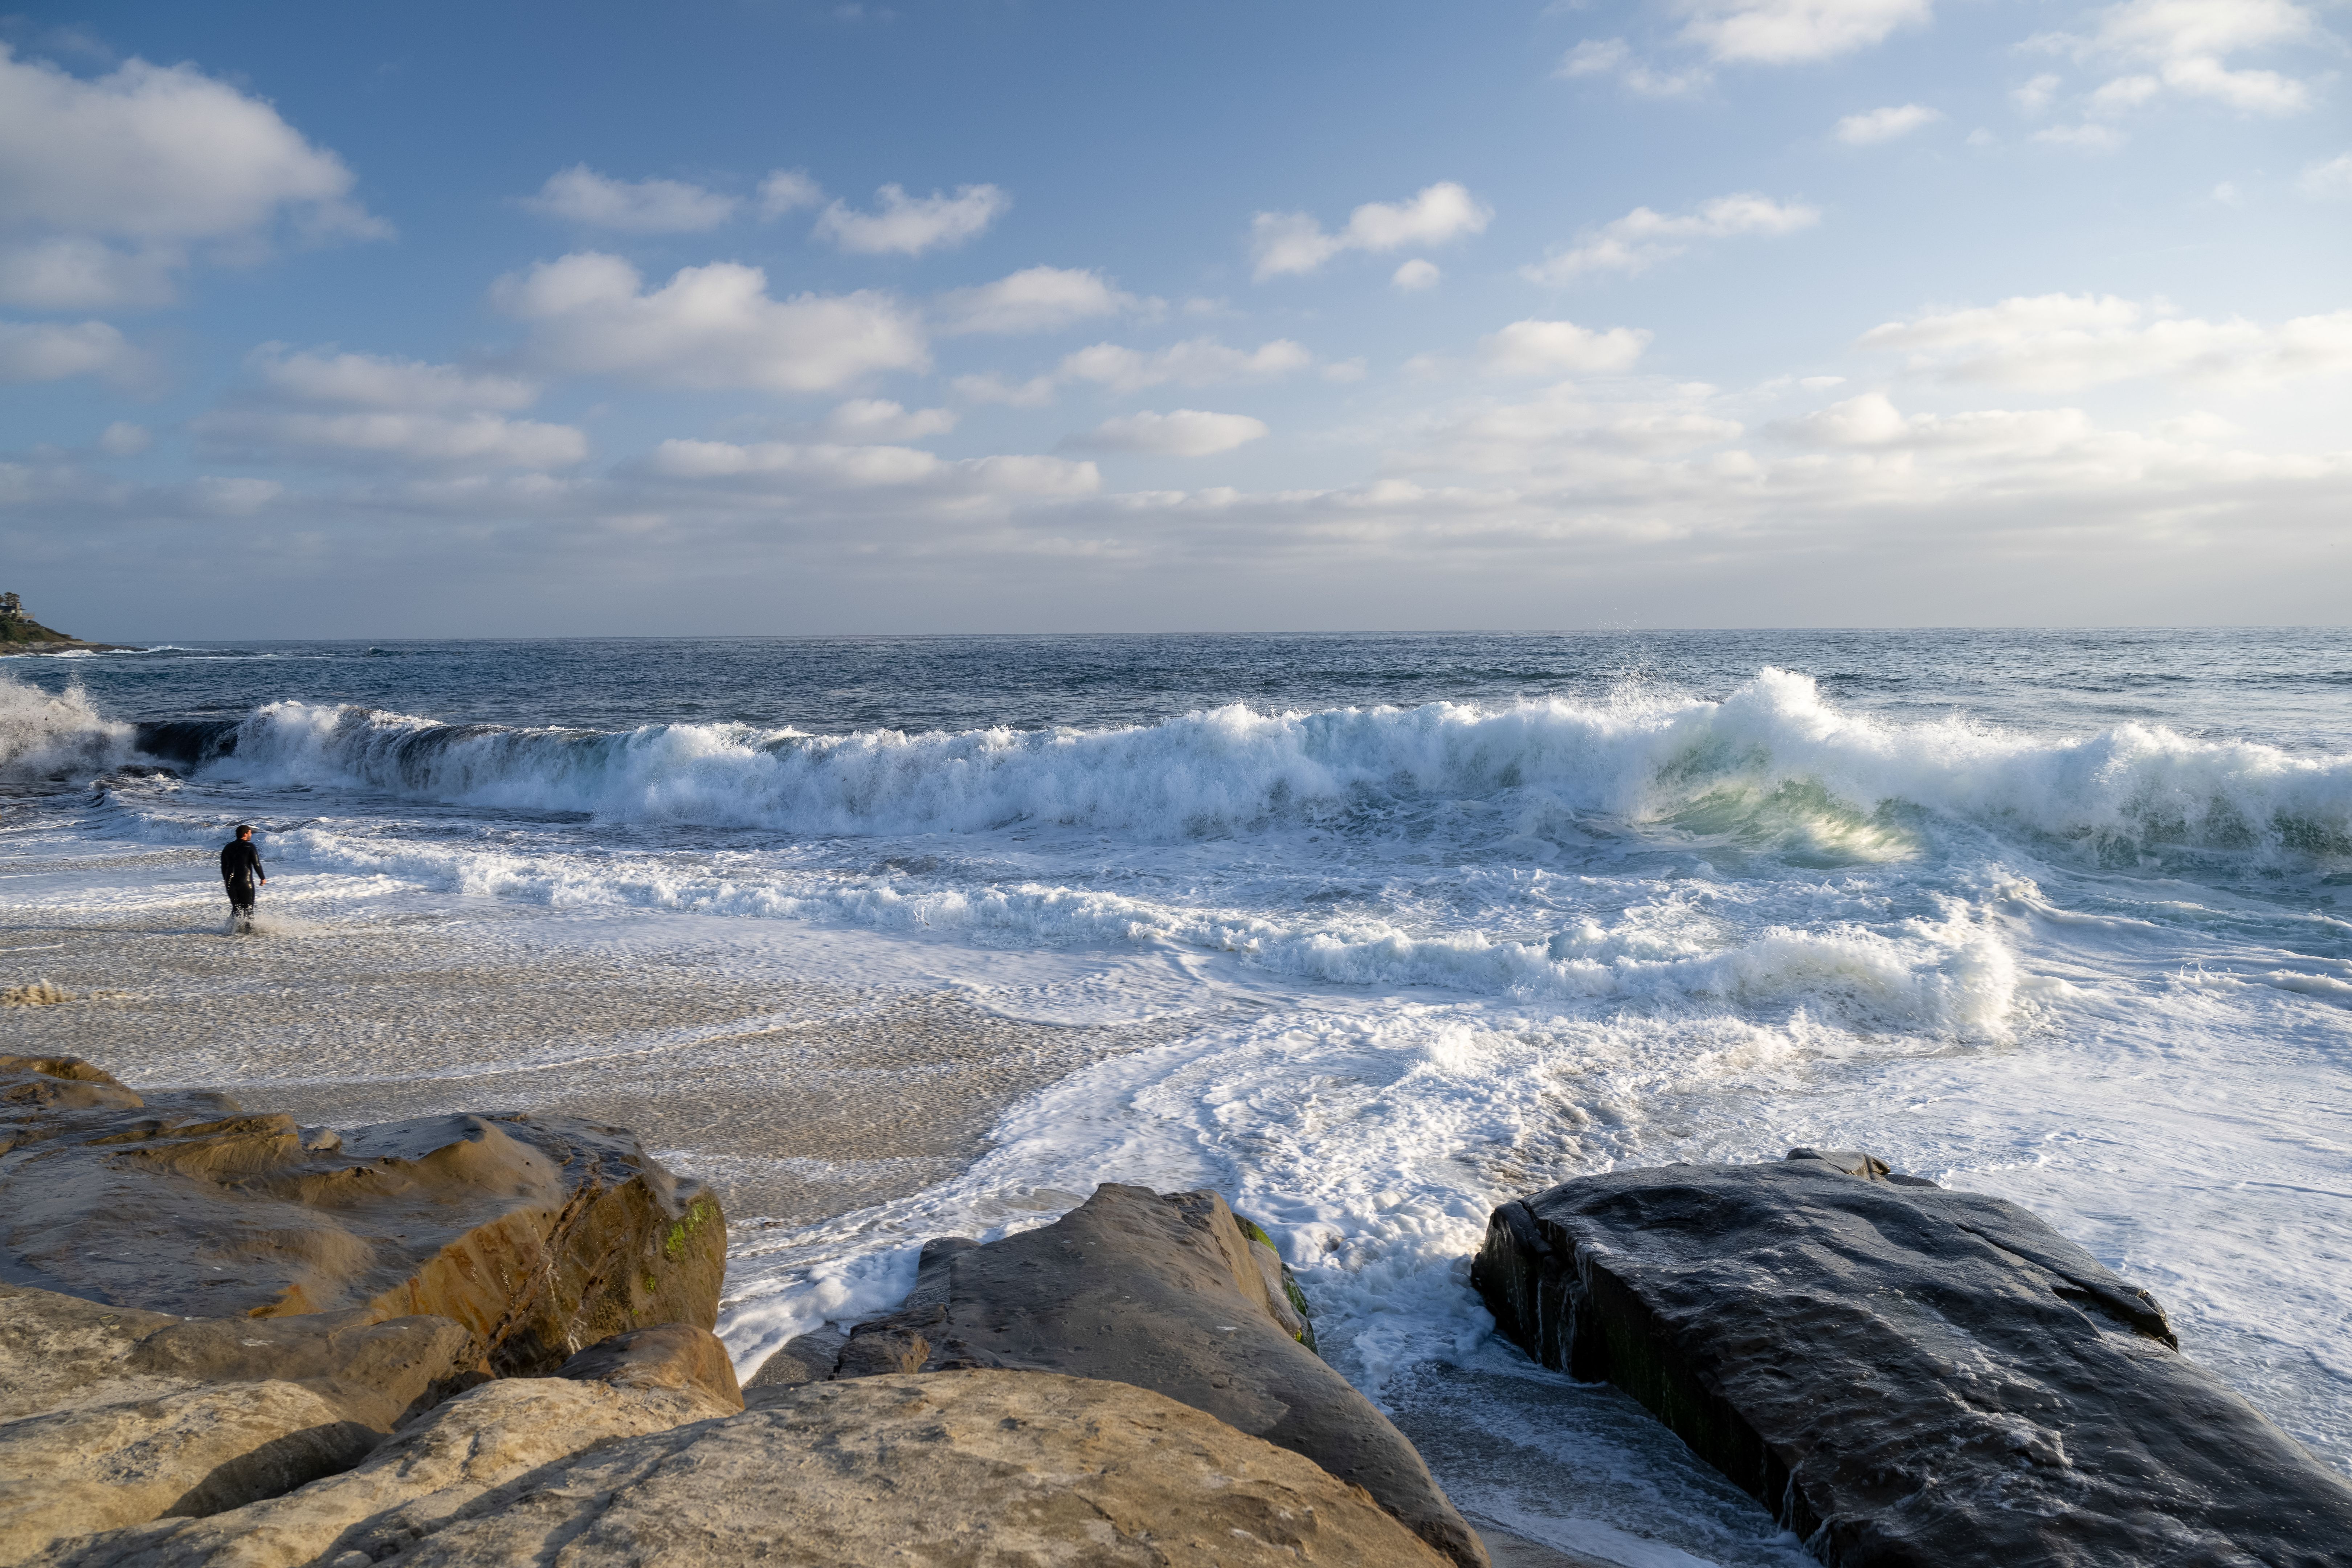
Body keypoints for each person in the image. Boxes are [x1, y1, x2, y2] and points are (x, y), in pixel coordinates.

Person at [220, 824, 266, 932]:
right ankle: (249, 932)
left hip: (230, 882)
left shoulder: (228, 847)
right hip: (245, 882)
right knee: (248, 909)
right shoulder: (250, 846)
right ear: (245, 834)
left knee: (236, 908)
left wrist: (226, 881)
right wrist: (262, 878)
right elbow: (257, 864)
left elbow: (223, 866)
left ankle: (231, 931)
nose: (251, 835)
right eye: (250, 833)